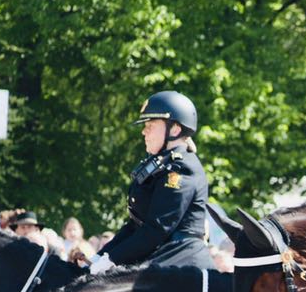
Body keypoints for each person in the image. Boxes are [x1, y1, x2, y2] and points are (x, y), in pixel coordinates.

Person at [90, 91, 215, 273]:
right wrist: (100, 257)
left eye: (150, 125)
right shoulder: (162, 163)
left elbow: (157, 228)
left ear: (174, 129)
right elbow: (135, 225)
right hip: (162, 257)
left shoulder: (181, 168)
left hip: (183, 265)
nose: (144, 132)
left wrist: (112, 260)